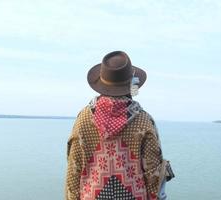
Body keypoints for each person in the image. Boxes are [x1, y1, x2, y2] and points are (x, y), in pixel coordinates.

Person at [65, 51, 174, 200]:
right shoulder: (144, 121)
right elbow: (154, 176)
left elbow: (73, 173)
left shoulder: (83, 120)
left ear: (101, 84)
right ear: (133, 85)